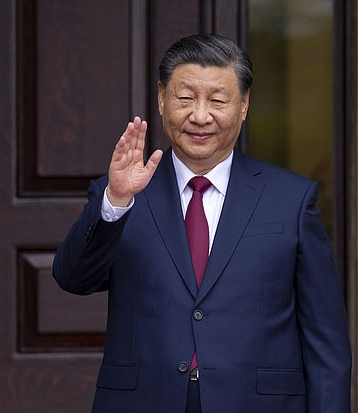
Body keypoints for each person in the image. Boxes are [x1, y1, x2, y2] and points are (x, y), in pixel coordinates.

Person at [53, 33, 351, 413]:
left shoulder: (291, 201)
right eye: (185, 98)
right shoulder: (122, 193)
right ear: (162, 99)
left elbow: (326, 343)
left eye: (218, 100)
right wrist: (116, 202)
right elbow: (72, 278)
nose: (200, 115)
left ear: (244, 105)